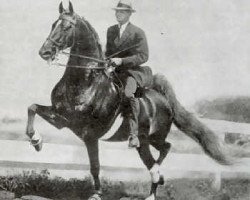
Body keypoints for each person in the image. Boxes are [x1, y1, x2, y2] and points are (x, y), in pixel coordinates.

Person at [105, 0, 149, 148]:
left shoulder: (138, 32)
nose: (118, 14)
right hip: (113, 70)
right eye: (117, 11)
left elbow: (143, 56)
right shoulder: (110, 30)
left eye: (122, 11)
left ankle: (133, 135)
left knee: (129, 94)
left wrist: (122, 61)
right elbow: (108, 52)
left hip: (131, 72)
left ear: (129, 14)